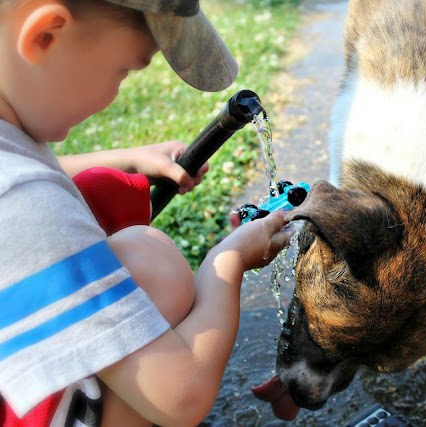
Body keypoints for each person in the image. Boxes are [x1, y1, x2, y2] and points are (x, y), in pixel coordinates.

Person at [0, 1, 295, 426]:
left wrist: (128, 159)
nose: (117, 92)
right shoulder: (25, 202)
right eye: (124, 70)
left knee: (103, 197)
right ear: (46, 36)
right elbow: (182, 399)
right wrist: (228, 261)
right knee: (153, 267)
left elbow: (31, 175)